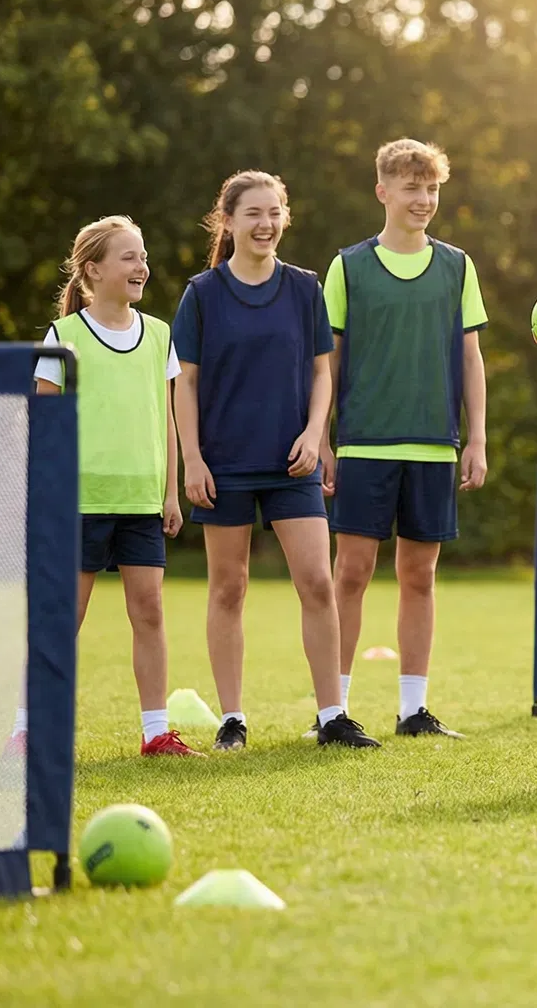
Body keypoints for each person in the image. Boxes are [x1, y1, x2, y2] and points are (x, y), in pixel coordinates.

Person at [173, 171, 380, 751]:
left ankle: (332, 716)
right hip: (225, 463)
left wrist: (316, 435)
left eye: (274, 213)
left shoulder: (304, 288)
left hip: (294, 462)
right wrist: (192, 459)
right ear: (229, 221)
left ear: (284, 217)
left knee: (317, 581)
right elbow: (184, 384)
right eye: (253, 214)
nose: (265, 224)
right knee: (228, 588)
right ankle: (232, 719)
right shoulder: (203, 293)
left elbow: (322, 371)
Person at [325, 139, 488, 739]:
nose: (423, 200)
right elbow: (329, 363)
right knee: (352, 574)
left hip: (434, 445)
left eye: (432, 189)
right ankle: (333, 710)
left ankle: (413, 710)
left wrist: (477, 439)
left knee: (420, 576)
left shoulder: (457, 266)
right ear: (383, 191)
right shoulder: (349, 266)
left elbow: (471, 359)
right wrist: (322, 439)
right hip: (364, 443)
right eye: (412, 188)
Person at [25, 216, 194, 757]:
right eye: (128, 257)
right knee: (64, 617)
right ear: (93, 270)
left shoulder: (161, 335)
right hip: (80, 501)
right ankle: (27, 726)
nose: (142, 266)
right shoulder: (64, 336)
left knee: (149, 613)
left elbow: (165, 417)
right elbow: (43, 421)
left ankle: (156, 732)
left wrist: (171, 491)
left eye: (143, 256)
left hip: (142, 500)